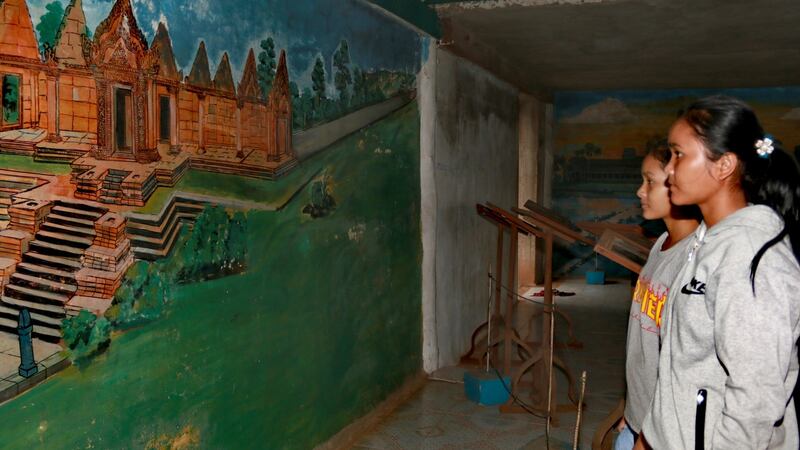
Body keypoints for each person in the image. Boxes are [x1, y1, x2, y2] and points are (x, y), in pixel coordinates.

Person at [641, 95, 800, 449]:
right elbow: (681, 365)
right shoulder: (706, 239)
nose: (669, 170)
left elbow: (755, 405)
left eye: (679, 155)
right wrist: (651, 433)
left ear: (724, 165)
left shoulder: (753, 259)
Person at [614, 145, 700, 450]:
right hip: (640, 418)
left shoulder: (695, 260)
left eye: (649, 181)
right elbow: (646, 346)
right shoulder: (662, 242)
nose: (640, 191)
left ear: (678, 183)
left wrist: (650, 436)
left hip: (662, 432)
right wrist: (629, 408)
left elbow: (686, 365)